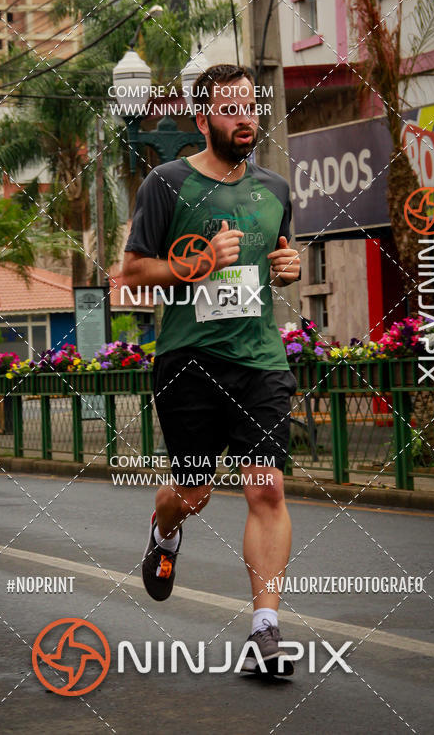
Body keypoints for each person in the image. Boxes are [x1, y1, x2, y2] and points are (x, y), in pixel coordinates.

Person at [122, 64, 301, 675]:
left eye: (250, 106)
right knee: (192, 494)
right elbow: (131, 276)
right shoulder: (166, 184)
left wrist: (287, 268)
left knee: (266, 487)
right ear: (203, 120)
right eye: (230, 109)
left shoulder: (275, 188)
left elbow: (278, 256)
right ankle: (165, 530)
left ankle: (265, 630)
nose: (245, 117)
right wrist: (194, 262)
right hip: (189, 361)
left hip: (259, 359)